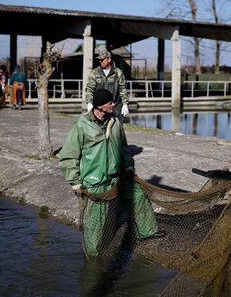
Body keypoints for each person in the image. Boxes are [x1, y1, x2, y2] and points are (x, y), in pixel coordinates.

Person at [59, 88, 160, 257]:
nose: (114, 104)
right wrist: (75, 181)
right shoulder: (82, 125)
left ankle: (148, 232)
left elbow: (123, 148)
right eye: (110, 103)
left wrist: (128, 166)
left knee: (139, 194)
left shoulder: (115, 123)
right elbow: (68, 156)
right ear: (99, 106)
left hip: (118, 178)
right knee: (95, 223)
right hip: (96, 182)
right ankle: (92, 256)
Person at [85, 48, 129, 121]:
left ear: (109, 59)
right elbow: (90, 89)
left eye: (103, 59)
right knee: (99, 129)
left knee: (115, 129)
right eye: (99, 60)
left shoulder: (118, 73)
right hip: (100, 108)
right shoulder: (94, 73)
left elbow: (122, 88)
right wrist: (89, 102)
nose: (101, 61)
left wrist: (125, 103)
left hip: (115, 106)